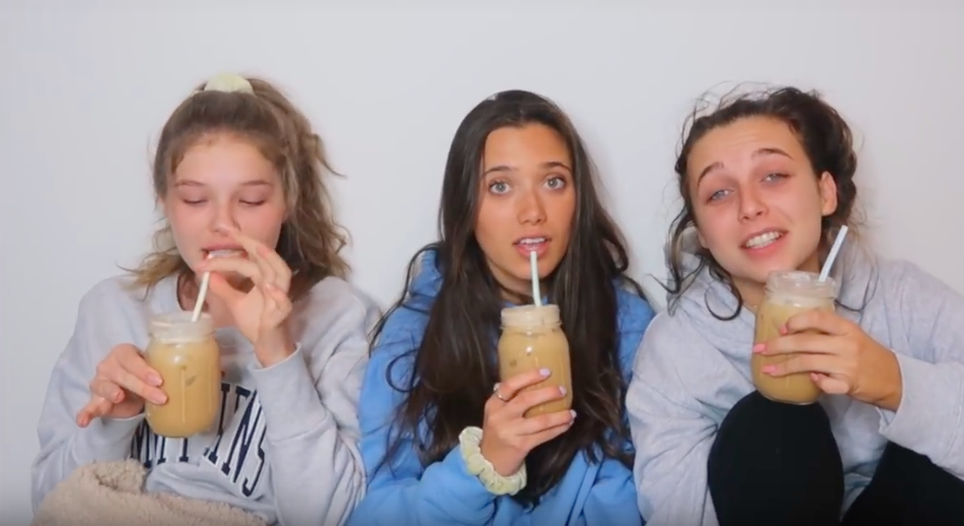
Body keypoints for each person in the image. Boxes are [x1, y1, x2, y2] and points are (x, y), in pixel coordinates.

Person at [627, 85, 964, 526]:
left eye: (773, 176)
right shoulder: (677, 350)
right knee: (771, 427)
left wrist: (898, 385)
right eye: (719, 193)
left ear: (826, 193)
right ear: (701, 232)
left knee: (959, 464)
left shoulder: (903, 298)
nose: (751, 206)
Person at [30, 73, 379, 526]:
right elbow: (47, 502)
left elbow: (329, 515)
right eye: (195, 200)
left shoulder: (339, 317)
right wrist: (115, 421)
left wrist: (275, 352)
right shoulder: (112, 310)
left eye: (251, 201)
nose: (223, 224)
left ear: (288, 201)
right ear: (164, 200)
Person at [348, 89, 655, 526]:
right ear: (466, 209)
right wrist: (484, 465)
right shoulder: (417, 335)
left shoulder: (626, 328)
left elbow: (652, 494)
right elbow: (375, 515)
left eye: (553, 182)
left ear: (579, 198)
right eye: (500, 186)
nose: (532, 212)